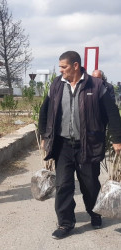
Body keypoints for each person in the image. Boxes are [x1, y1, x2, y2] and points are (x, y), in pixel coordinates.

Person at [38, 51, 121, 239]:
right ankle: (65, 223)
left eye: (64, 67)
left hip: (89, 144)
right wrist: (44, 135)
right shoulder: (57, 85)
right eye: (60, 67)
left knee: (90, 184)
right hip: (63, 145)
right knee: (63, 185)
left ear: (76, 66)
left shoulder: (97, 85)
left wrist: (117, 139)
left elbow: (113, 114)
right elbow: (45, 111)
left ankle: (95, 213)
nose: (61, 70)